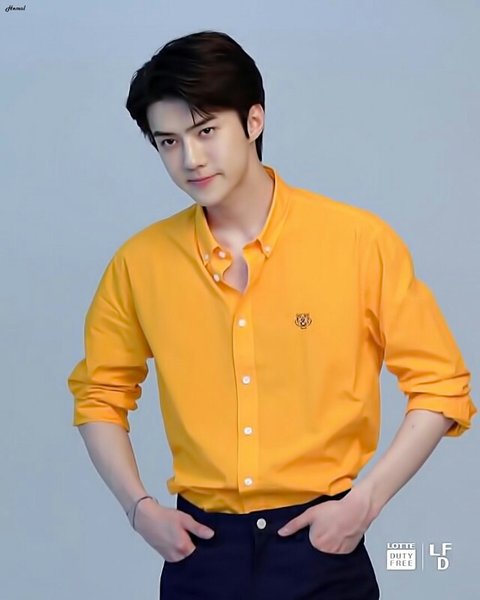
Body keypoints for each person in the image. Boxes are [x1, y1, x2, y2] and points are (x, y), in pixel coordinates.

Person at [67, 30, 477, 599]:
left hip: (320, 544)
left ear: (253, 120)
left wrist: (364, 503)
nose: (190, 159)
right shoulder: (139, 264)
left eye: (206, 131)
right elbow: (99, 395)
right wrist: (139, 509)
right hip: (200, 551)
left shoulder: (357, 243)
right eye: (168, 142)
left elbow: (441, 384)